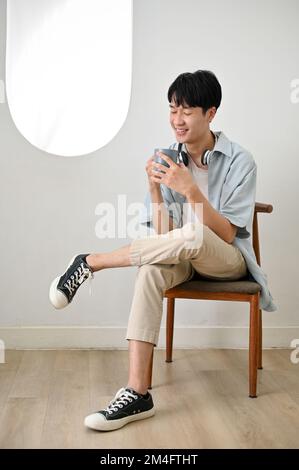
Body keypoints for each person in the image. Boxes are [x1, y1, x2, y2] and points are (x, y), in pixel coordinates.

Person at [49, 70, 277, 432]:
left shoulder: (240, 161)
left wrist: (191, 192)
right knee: (152, 269)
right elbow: (164, 237)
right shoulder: (169, 156)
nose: (177, 120)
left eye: (187, 111)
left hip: (226, 260)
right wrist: (154, 190)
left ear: (211, 113)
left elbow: (228, 230)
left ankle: (93, 262)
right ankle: (138, 393)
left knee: (197, 233)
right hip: (182, 255)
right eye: (172, 109)